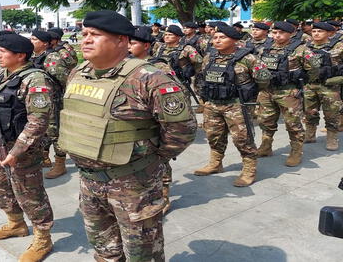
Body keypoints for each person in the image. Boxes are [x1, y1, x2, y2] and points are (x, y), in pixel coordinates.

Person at [58, 10, 197, 261]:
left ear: (121, 41)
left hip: (134, 185)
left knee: (142, 254)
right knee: (104, 249)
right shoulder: (79, 73)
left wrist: (152, 161)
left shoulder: (150, 78)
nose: (85, 40)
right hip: (89, 181)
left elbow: (182, 129)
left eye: (95, 35)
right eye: (84, 34)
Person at [0, 33, 55, 262]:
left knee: (30, 194)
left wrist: (16, 152)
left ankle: (42, 237)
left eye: (3, 52)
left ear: (20, 55)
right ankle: (16, 223)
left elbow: (39, 120)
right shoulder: (2, 74)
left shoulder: (35, 80)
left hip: (22, 150)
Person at [194, 24, 271, 186]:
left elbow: (263, 79)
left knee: (242, 138)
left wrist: (250, 95)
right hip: (213, 103)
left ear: (234, 40)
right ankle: (215, 163)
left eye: (222, 37)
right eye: (215, 37)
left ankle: (249, 170)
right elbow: (203, 77)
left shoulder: (248, 58)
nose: (217, 41)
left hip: (237, 105)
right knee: (213, 135)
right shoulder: (210, 56)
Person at [128, 25, 186, 213]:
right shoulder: (125, 64)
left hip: (153, 121)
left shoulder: (158, 66)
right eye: (127, 42)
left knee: (159, 162)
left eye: (133, 43)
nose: (129, 46)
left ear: (146, 46)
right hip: (133, 123)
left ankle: (164, 195)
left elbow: (173, 96)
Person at [256, 21, 319, 166]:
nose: (277, 35)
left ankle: (296, 151)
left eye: (281, 33)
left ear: (291, 33)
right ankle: (266, 146)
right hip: (267, 91)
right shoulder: (265, 48)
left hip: (288, 92)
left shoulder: (301, 49)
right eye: (275, 32)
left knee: (293, 123)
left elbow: (315, 68)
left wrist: (299, 80)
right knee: (265, 120)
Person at [30, 29, 70, 178]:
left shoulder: (51, 58)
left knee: (54, 132)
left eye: (34, 39)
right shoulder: (34, 57)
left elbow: (64, 79)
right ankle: (44, 158)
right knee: (42, 130)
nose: (31, 42)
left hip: (52, 101)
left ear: (44, 43)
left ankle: (60, 163)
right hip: (39, 101)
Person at [303, 22, 343, 150]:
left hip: (329, 86)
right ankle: (310, 134)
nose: (316, 34)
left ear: (329, 33)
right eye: (314, 31)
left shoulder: (339, 47)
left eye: (320, 31)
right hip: (310, 84)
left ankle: (332, 138)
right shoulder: (306, 47)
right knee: (309, 111)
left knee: (331, 113)